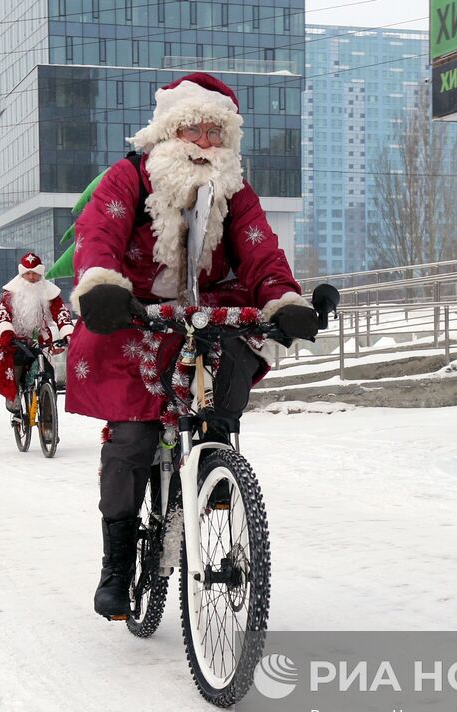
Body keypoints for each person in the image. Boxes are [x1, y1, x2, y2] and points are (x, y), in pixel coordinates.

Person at [66, 72, 319, 619]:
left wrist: (283, 299)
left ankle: (213, 479)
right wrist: (102, 285)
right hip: (136, 317)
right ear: (168, 132)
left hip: (210, 314)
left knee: (221, 399)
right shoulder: (128, 178)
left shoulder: (236, 192)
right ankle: (117, 564)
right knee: (131, 441)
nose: (205, 143)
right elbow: (99, 235)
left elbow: (261, 253)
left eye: (215, 132)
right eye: (194, 130)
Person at [0, 252, 74, 417]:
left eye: (35, 273)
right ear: (22, 274)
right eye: (27, 273)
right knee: (15, 363)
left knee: (48, 375)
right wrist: (7, 332)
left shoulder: (49, 292)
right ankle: (13, 396)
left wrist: (67, 333)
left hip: (41, 341)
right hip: (17, 340)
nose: (31, 277)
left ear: (40, 273)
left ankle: (48, 421)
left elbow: (61, 313)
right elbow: (2, 314)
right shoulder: (10, 294)